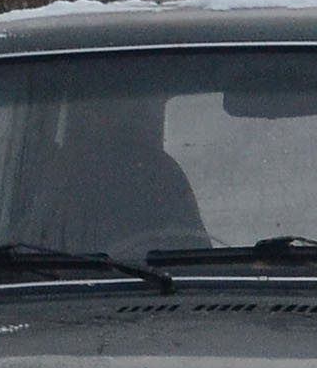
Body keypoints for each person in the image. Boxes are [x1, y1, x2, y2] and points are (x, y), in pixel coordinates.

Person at [23, 93, 208, 256]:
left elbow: (195, 252)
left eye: (132, 113)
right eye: (98, 112)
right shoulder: (63, 173)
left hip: (163, 285)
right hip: (61, 283)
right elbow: (33, 243)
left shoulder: (161, 172)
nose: (107, 123)